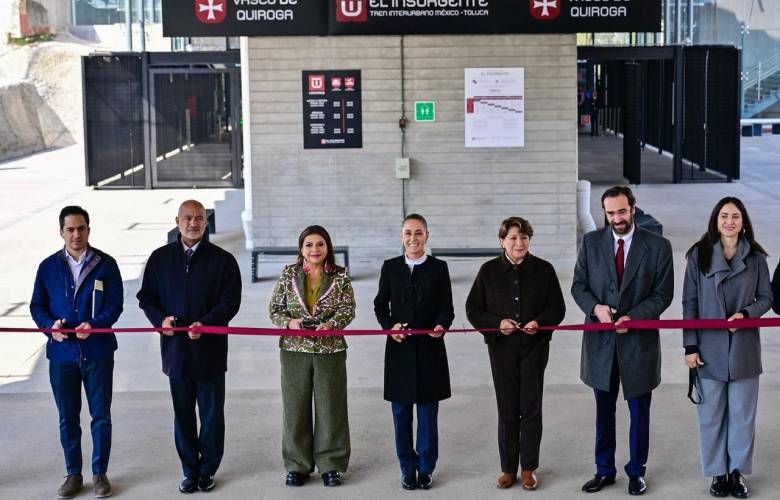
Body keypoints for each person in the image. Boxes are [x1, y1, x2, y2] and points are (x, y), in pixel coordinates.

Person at [571, 185, 674, 496]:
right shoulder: (590, 243)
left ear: (633, 208)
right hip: (601, 344)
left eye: (622, 211)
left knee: (639, 412)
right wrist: (596, 308)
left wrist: (635, 317)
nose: (617, 218)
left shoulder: (658, 247)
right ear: (604, 212)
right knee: (604, 411)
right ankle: (604, 470)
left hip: (638, 343)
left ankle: (636, 471)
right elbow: (579, 286)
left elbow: (663, 294)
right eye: (611, 212)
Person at [137, 200, 241, 494]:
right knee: (182, 415)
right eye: (187, 218)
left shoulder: (223, 260)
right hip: (176, 352)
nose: (193, 223)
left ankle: (207, 470)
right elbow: (146, 298)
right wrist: (161, 320)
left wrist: (206, 323)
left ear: (206, 223)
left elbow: (231, 301)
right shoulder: (159, 259)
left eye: (198, 218)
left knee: (211, 416)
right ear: (177, 221)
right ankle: (188, 470)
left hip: (210, 350)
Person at [30, 205, 123, 499]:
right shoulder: (48, 267)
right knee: (67, 417)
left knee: (101, 415)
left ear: (89, 230)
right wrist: (49, 326)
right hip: (62, 355)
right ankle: (73, 474)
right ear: (61, 232)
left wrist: (95, 324)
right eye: (70, 229)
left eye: (81, 228)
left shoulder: (106, 265)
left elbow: (115, 304)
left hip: (97, 352)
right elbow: (37, 306)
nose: (76, 234)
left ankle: (99, 474)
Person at [465, 216, 565, 490]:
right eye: (512, 238)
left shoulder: (544, 270)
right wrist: (497, 325)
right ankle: (508, 468)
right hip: (501, 349)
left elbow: (557, 308)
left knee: (531, 407)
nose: (519, 242)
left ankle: (529, 468)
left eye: (523, 237)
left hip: (535, 347)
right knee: (507, 408)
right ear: (502, 241)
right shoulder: (488, 271)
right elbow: (473, 309)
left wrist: (539, 323)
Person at [682, 197, 773, 498]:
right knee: (710, 416)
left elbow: (766, 297)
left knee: (742, 415)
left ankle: (736, 472)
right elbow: (690, 303)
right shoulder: (699, 255)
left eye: (735, 216)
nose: (729, 221)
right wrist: (690, 346)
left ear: (744, 221)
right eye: (724, 216)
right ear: (715, 220)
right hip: (709, 349)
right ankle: (717, 473)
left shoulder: (757, 258)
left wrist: (746, 315)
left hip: (744, 347)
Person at [269, 225, 355, 488]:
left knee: (331, 407)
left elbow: (348, 309)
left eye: (319, 244)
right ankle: (297, 465)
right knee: (295, 408)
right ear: (301, 249)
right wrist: (288, 323)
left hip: (329, 350)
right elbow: (274, 309)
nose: (314, 249)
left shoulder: (340, 276)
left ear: (327, 247)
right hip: (294, 350)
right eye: (309, 245)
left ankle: (331, 465)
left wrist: (333, 325)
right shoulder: (288, 274)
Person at [373, 214, 454, 491]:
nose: (413, 238)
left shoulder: (439, 268)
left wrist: (442, 324)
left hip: (430, 349)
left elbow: (447, 307)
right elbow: (381, 305)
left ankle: (426, 468)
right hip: (399, 351)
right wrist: (389, 327)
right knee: (401, 414)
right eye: (408, 233)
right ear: (401, 236)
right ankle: (407, 468)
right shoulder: (390, 267)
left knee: (428, 415)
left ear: (427, 236)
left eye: (418, 233)